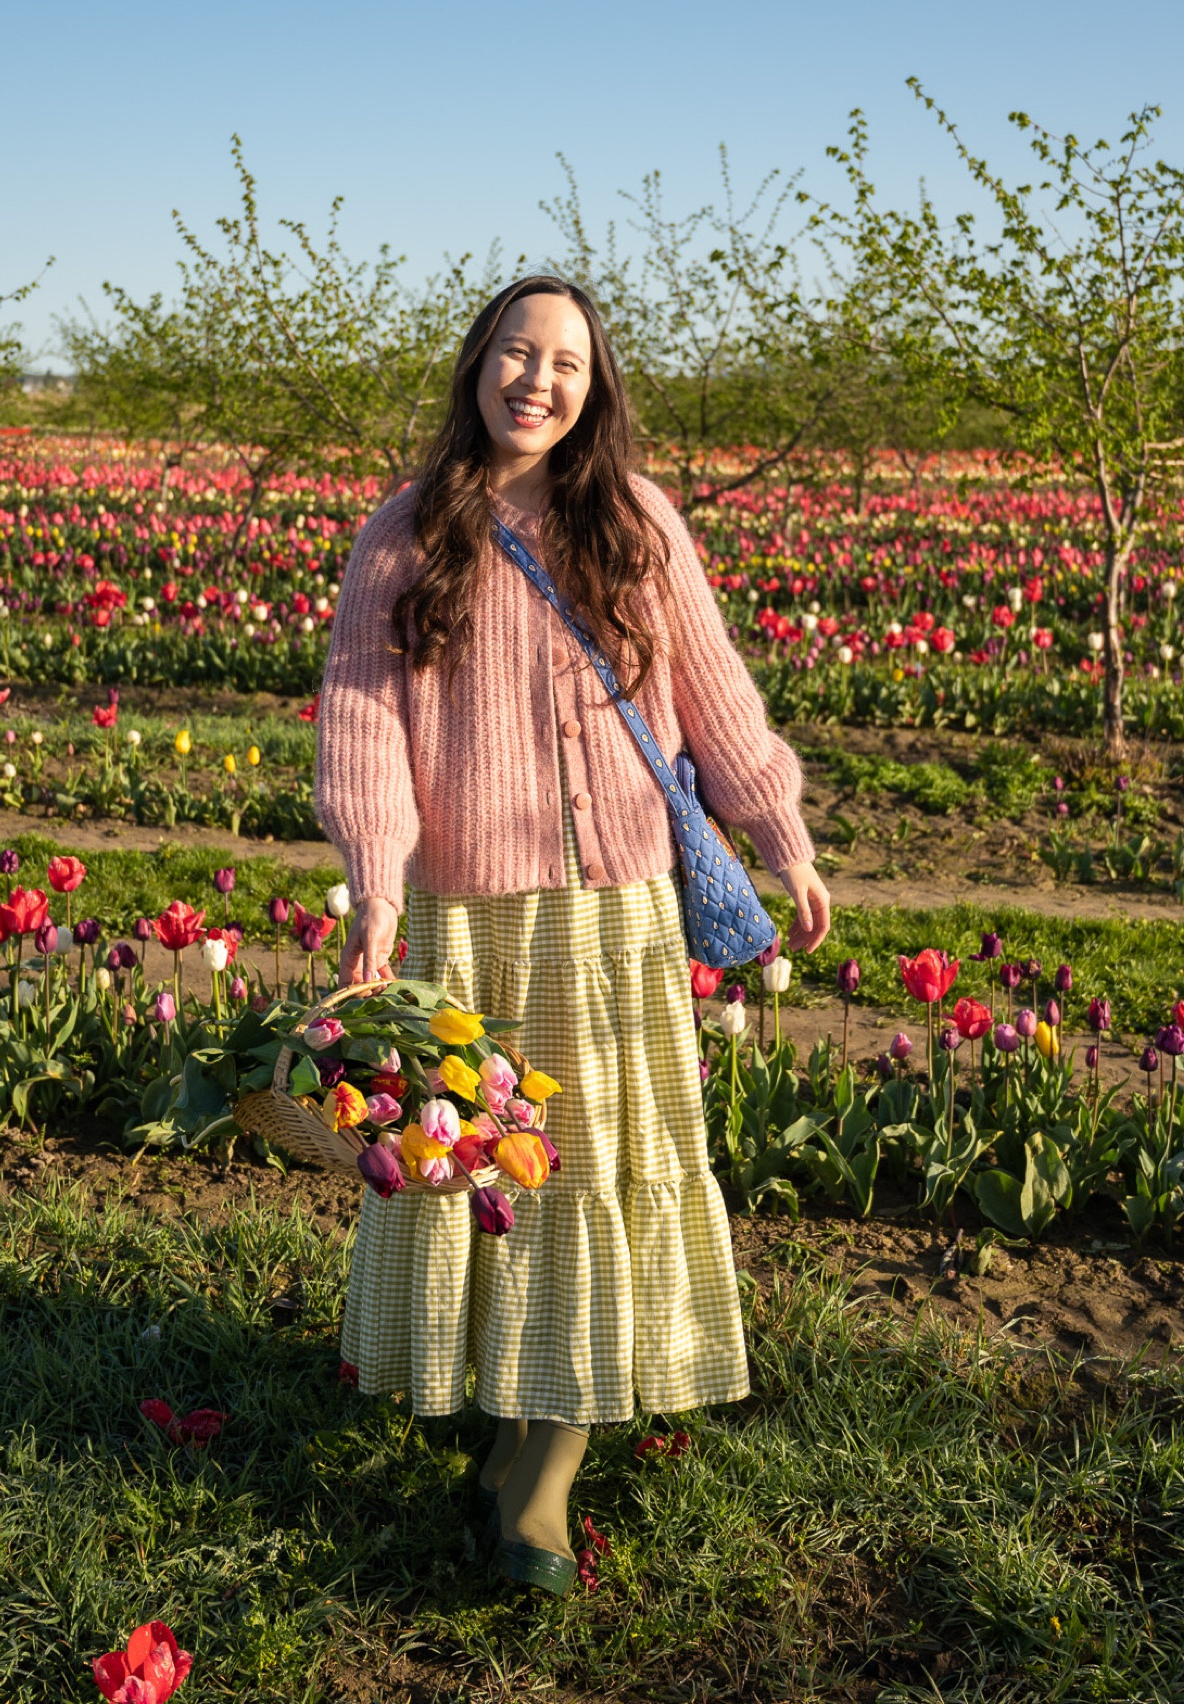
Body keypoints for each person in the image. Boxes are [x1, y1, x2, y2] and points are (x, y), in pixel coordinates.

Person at [314, 274, 830, 1594]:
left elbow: (714, 694)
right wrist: (379, 885)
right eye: (515, 352)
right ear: (476, 366)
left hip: (620, 924)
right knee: (496, 1181)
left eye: (567, 364)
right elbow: (366, 727)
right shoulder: (407, 532)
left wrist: (783, 838)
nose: (537, 380)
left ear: (594, 390)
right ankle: (507, 1412)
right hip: (473, 923)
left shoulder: (634, 521)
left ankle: (548, 1467)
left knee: (599, 1167)